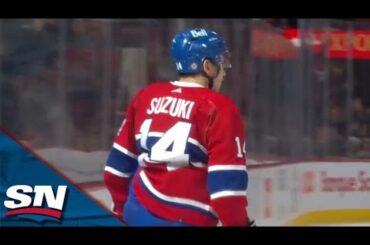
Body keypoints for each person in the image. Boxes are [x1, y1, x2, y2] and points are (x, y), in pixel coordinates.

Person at [104, 28, 254, 226]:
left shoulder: (146, 96)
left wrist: (124, 211)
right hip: (186, 219)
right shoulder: (219, 108)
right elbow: (226, 193)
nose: (224, 72)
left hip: (136, 211)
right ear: (207, 66)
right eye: (222, 64)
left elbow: (115, 171)